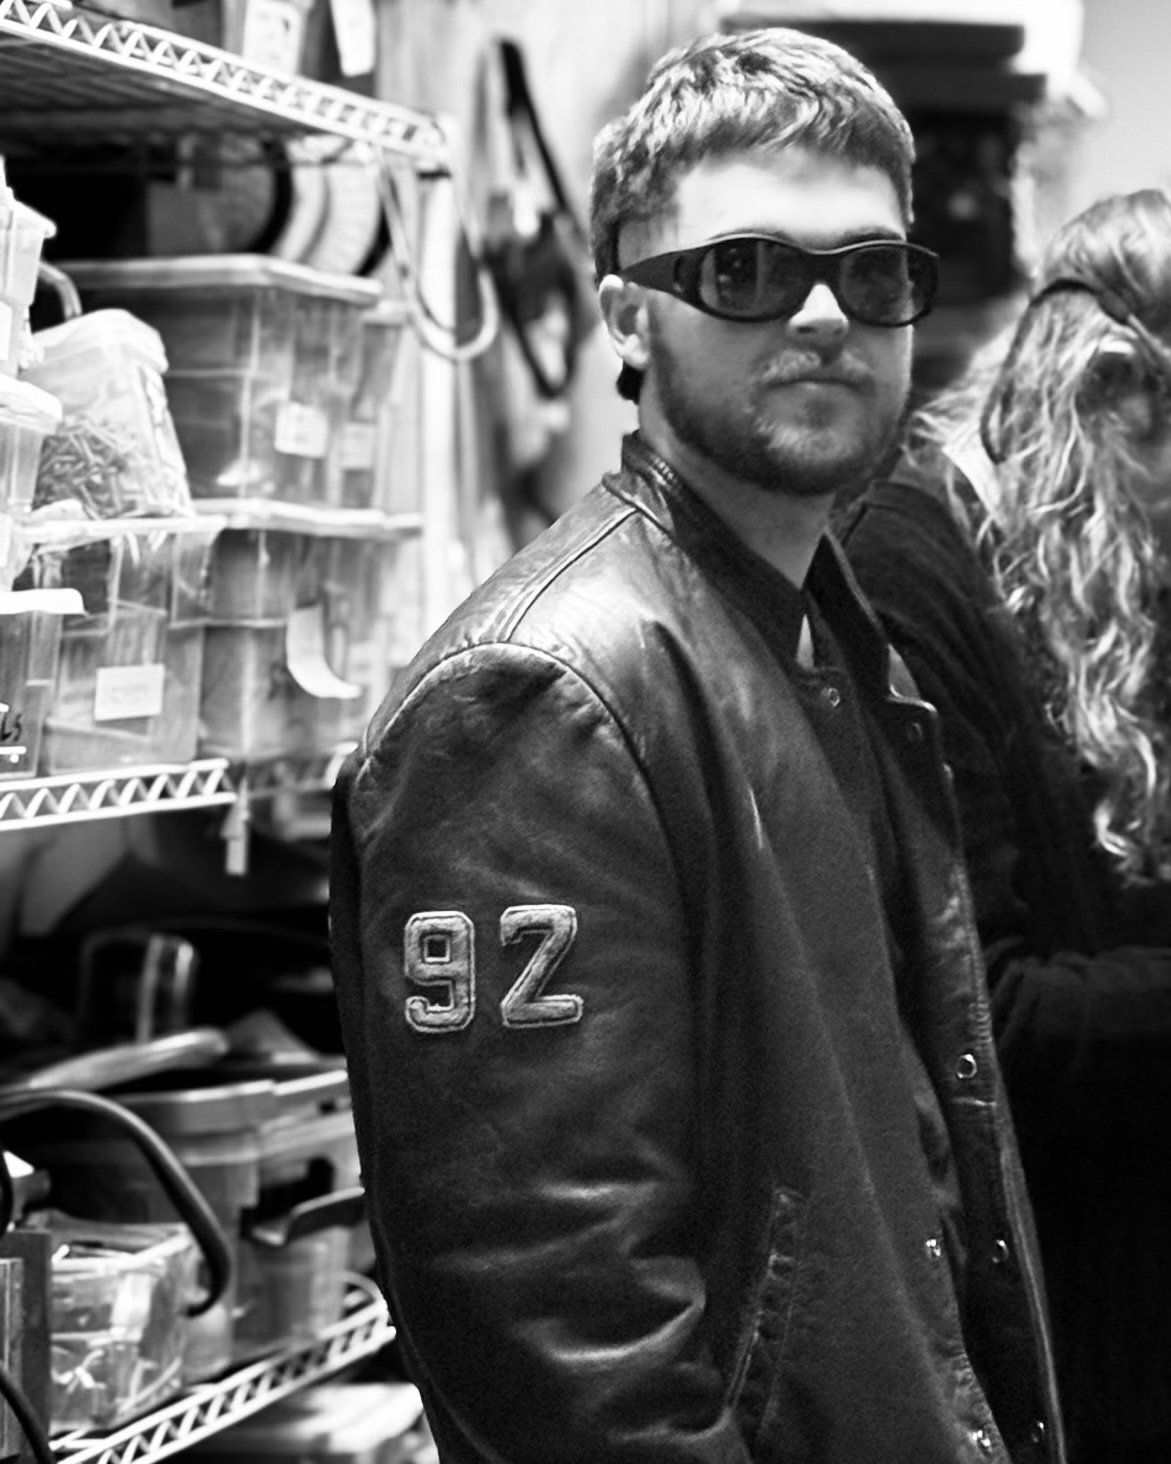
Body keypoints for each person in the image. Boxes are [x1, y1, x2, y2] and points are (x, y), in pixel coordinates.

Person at [327, 27, 1065, 1464]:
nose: (826, 316)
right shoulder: (539, 699)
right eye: (745, 270)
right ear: (625, 313)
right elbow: (559, 1331)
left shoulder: (827, 643)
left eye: (873, 272)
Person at [837, 171, 1171, 1464]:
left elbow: (1150, 966)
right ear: (1111, 394)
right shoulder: (904, 577)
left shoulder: (1088, 588)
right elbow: (995, 1026)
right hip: (1070, 1365)